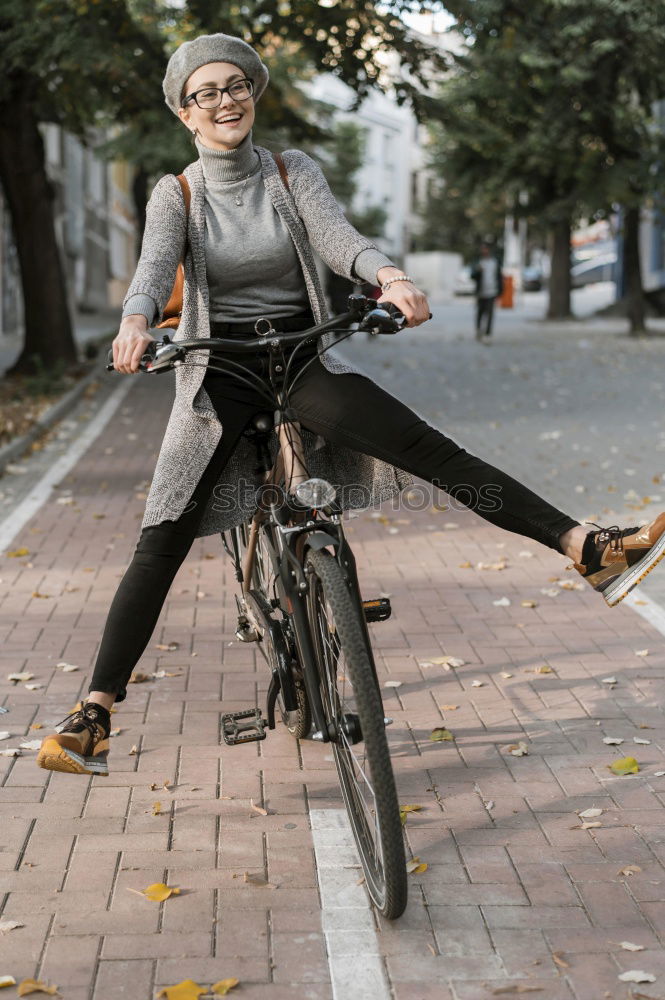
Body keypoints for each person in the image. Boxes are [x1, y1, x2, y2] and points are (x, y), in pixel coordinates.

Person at [36, 33, 665, 778]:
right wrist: (136, 321)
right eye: (206, 92)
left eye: (236, 84)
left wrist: (390, 278)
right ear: (185, 112)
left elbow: (337, 239)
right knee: (162, 532)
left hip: (299, 354)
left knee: (432, 452)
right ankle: (96, 712)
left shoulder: (287, 170)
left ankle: (583, 548)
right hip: (219, 368)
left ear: (253, 91)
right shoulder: (175, 194)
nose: (225, 100)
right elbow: (152, 269)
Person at [471, 242, 503, 341]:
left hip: (492, 291)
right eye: (482, 249)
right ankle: (478, 330)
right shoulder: (478, 262)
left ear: (489, 250)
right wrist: (477, 271)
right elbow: (472, 276)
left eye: (486, 249)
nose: (484, 251)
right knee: (480, 313)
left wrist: (500, 291)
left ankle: (488, 334)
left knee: (490, 313)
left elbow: (499, 277)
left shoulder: (495, 262)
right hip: (481, 292)